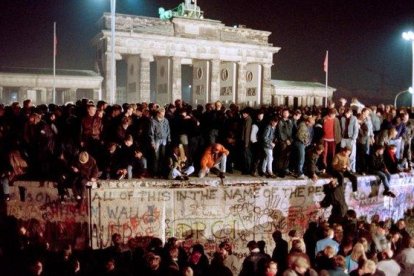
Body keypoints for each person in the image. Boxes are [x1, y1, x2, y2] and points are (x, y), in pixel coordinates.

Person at [340, 108, 359, 173]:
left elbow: (356, 130)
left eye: (347, 113)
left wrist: (354, 139)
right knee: (343, 153)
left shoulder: (354, 118)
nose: (346, 114)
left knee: (352, 155)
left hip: (351, 138)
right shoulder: (342, 118)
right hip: (344, 138)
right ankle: (343, 168)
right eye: (345, 113)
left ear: (351, 113)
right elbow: (342, 128)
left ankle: (352, 169)